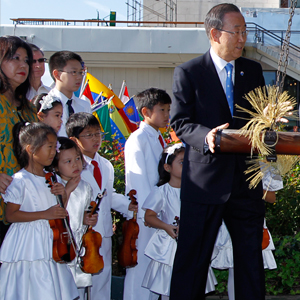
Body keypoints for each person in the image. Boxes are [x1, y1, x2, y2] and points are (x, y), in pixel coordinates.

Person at [169, 3, 266, 300]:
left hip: (246, 183)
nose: (242, 38)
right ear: (214, 33)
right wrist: (206, 136)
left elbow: (262, 117)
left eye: (244, 32)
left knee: (251, 261)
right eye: (236, 32)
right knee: (192, 261)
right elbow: (180, 122)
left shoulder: (253, 70)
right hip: (204, 182)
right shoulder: (188, 72)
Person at [0, 122, 78, 300]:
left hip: (51, 240)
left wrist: (63, 196)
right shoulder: (20, 180)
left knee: (52, 284)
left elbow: (59, 211)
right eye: (49, 147)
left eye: (54, 147)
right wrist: (44, 214)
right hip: (28, 242)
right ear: (31, 149)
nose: (54, 152)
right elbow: (10, 215)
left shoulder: (53, 178)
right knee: (32, 285)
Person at [65, 112, 137, 300]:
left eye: (98, 133)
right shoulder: (69, 166)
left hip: (103, 233)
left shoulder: (105, 165)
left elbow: (108, 195)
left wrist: (128, 206)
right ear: (74, 139)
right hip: (80, 234)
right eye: (89, 135)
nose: (96, 139)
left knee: (102, 283)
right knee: (78, 282)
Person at [142, 143, 217, 300]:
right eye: (182, 162)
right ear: (168, 167)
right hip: (169, 245)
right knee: (167, 284)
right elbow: (149, 217)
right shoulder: (161, 191)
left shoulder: (196, 189)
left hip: (193, 241)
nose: (187, 165)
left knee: (193, 282)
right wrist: (166, 227)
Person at [123, 88, 172, 300]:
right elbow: (138, 182)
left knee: (155, 269)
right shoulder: (138, 139)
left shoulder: (158, 138)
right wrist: (149, 214)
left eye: (168, 110)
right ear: (145, 111)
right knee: (140, 269)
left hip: (157, 214)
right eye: (162, 110)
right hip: (145, 215)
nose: (167, 115)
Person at [212, 166, 283, 299]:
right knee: (234, 267)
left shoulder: (263, 166)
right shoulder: (225, 164)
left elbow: (271, 198)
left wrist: (250, 188)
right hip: (230, 219)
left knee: (249, 266)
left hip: (250, 220)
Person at [0, 36, 38, 246]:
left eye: (26, 60)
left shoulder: (30, 109)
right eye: (15, 58)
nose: (23, 65)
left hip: (25, 209)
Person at [52, 136, 97, 300]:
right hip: (60, 246)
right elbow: (57, 213)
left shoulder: (85, 187)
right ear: (56, 166)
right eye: (68, 161)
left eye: (77, 158)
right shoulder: (54, 186)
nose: (75, 164)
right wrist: (68, 191)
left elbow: (85, 213)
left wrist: (89, 219)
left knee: (78, 291)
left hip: (79, 245)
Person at [48, 51, 91, 137]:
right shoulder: (47, 104)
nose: (79, 77)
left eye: (81, 72)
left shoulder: (84, 105)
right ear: (57, 74)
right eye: (74, 72)